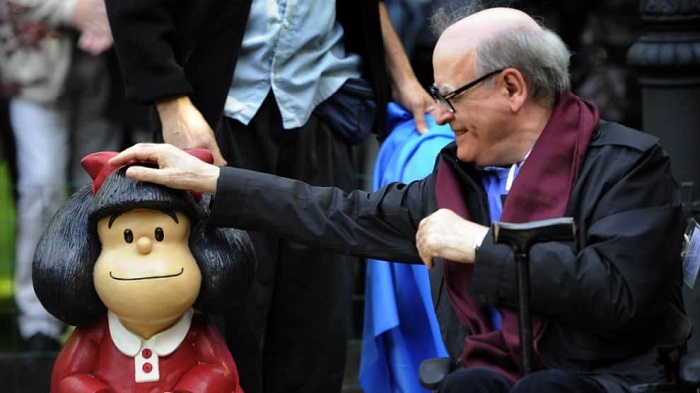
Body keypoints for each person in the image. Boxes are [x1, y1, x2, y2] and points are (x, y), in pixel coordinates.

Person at [104, 1, 433, 392]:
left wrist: (403, 77)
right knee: (222, 307)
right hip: (209, 115)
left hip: (320, 105)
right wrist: (170, 101)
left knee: (318, 314)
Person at [32, 149, 256, 392]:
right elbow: (69, 378)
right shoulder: (96, 333)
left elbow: (220, 372)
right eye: (126, 236)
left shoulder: (197, 330)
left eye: (161, 234)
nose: (144, 245)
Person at [0, 0, 123, 352]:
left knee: (100, 190)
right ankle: (37, 322)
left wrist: (113, 17)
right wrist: (72, 11)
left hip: (106, 75)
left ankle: (101, 308)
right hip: (36, 77)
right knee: (41, 190)